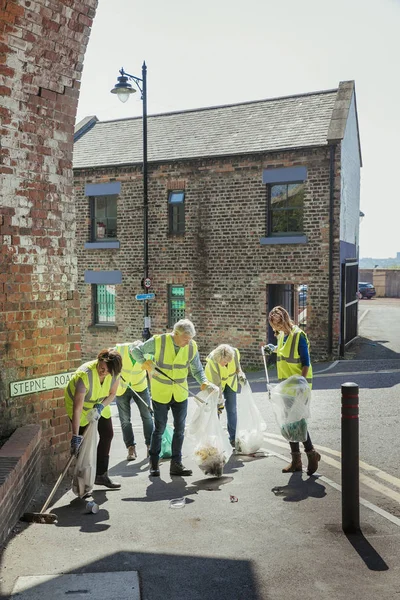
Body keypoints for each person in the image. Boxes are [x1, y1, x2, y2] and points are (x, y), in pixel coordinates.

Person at [130, 318, 215, 477]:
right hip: (160, 392)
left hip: (180, 393)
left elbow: (197, 370)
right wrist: (144, 362)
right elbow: (135, 350)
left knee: (180, 429)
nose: (187, 342)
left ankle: (176, 464)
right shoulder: (159, 341)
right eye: (185, 339)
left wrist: (204, 382)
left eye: (190, 339)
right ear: (175, 333)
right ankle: (154, 464)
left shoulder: (191, 346)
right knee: (160, 428)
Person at [264, 306, 321, 476]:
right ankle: (296, 460)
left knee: (298, 421)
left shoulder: (298, 336)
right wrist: (272, 349)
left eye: (279, 326)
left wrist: (301, 385)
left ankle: (311, 453)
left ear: (285, 321)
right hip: (286, 387)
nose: (276, 329)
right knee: (289, 422)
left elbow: (305, 362)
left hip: (298, 387)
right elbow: (284, 352)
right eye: (274, 326)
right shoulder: (283, 336)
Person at [65, 348, 123, 489]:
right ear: (99, 359)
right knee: (82, 445)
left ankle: (100, 475)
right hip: (82, 409)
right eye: (102, 368)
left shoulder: (114, 373)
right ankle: (83, 484)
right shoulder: (84, 376)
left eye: (108, 371)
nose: (104, 372)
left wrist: (101, 406)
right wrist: (75, 436)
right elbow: (77, 408)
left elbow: (112, 393)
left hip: (99, 405)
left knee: (107, 434)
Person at [114, 341, 154, 461]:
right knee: (125, 420)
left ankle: (150, 446)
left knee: (147, 416)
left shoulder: (147, 354)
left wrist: (152, 393)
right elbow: (109, 362)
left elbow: (150, 372)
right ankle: (130, 447)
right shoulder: (119, 349)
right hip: (121, 387)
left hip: (140, 387)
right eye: (133, 354)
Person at [204, 344, 246, 448]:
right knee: (216, 411)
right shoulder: (212, 362)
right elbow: (216, 383)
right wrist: (219, 400)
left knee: (232, 410)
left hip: (230, 383)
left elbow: (237, 367)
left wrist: (240, 374)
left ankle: (233, 438)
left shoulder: (235, 353)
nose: (225, 364)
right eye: (224, 362)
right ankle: (215, 440)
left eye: (227, 362)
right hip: (215, 386)